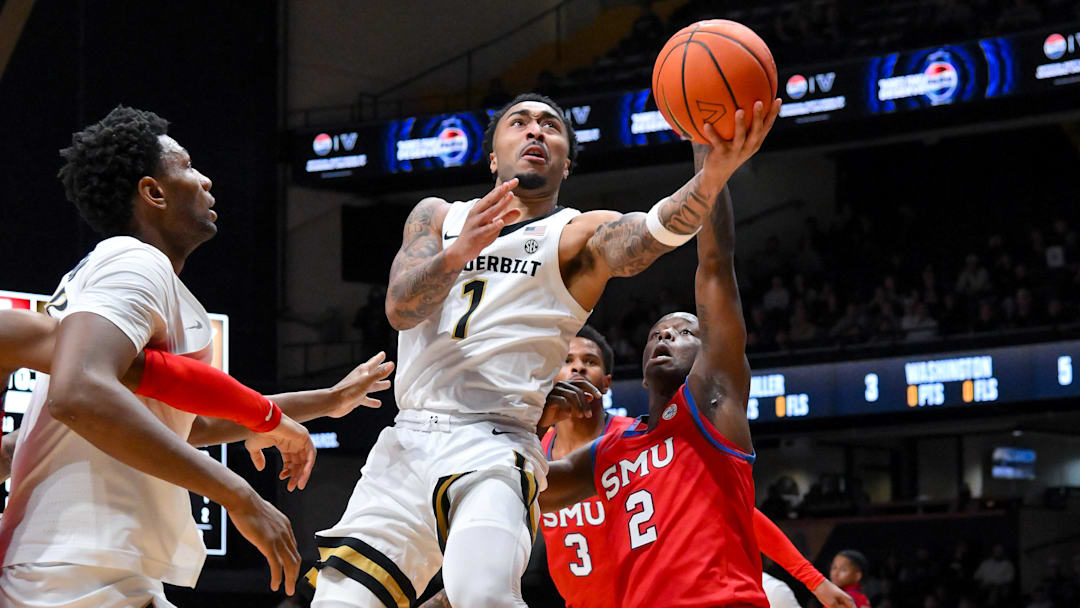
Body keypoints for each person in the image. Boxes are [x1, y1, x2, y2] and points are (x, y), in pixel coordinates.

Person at [307, 92, 782, 608]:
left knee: (482, 594)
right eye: (520, 122)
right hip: (406, 441)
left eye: (551, 126)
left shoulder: (576, 234)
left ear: (566, 162)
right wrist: (460, 251)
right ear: (493, 156)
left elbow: (655, 230)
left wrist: (712, 176)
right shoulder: (437, 217)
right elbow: (400, 309)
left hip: (494, 440)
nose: (536, 131)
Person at [0, 106, 392, 606]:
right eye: (187, 166)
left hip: (85, 563)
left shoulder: (130, 275)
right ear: (154, 193)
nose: (206, 180)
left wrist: (326, 401)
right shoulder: (133, 261)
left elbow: (183, 426)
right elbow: (78, 391)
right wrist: (239, 494)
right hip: (75, 565)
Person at [537, 142, 853, 607]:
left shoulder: (710, 407)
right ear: (641, 375)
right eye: (656, 334)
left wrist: (707, 160)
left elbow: (714, 267)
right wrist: (532, 416)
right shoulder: (609, 450)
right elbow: (532, 488)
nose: (665, 337)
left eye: (684, 332)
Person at [420, 327, 848, 608]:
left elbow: (738, 512)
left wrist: (814, 580)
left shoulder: (638, 439)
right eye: (567, 361)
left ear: (607, 382)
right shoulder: (535, 453)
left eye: (589, 361)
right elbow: (499, 536)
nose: (577, 368)